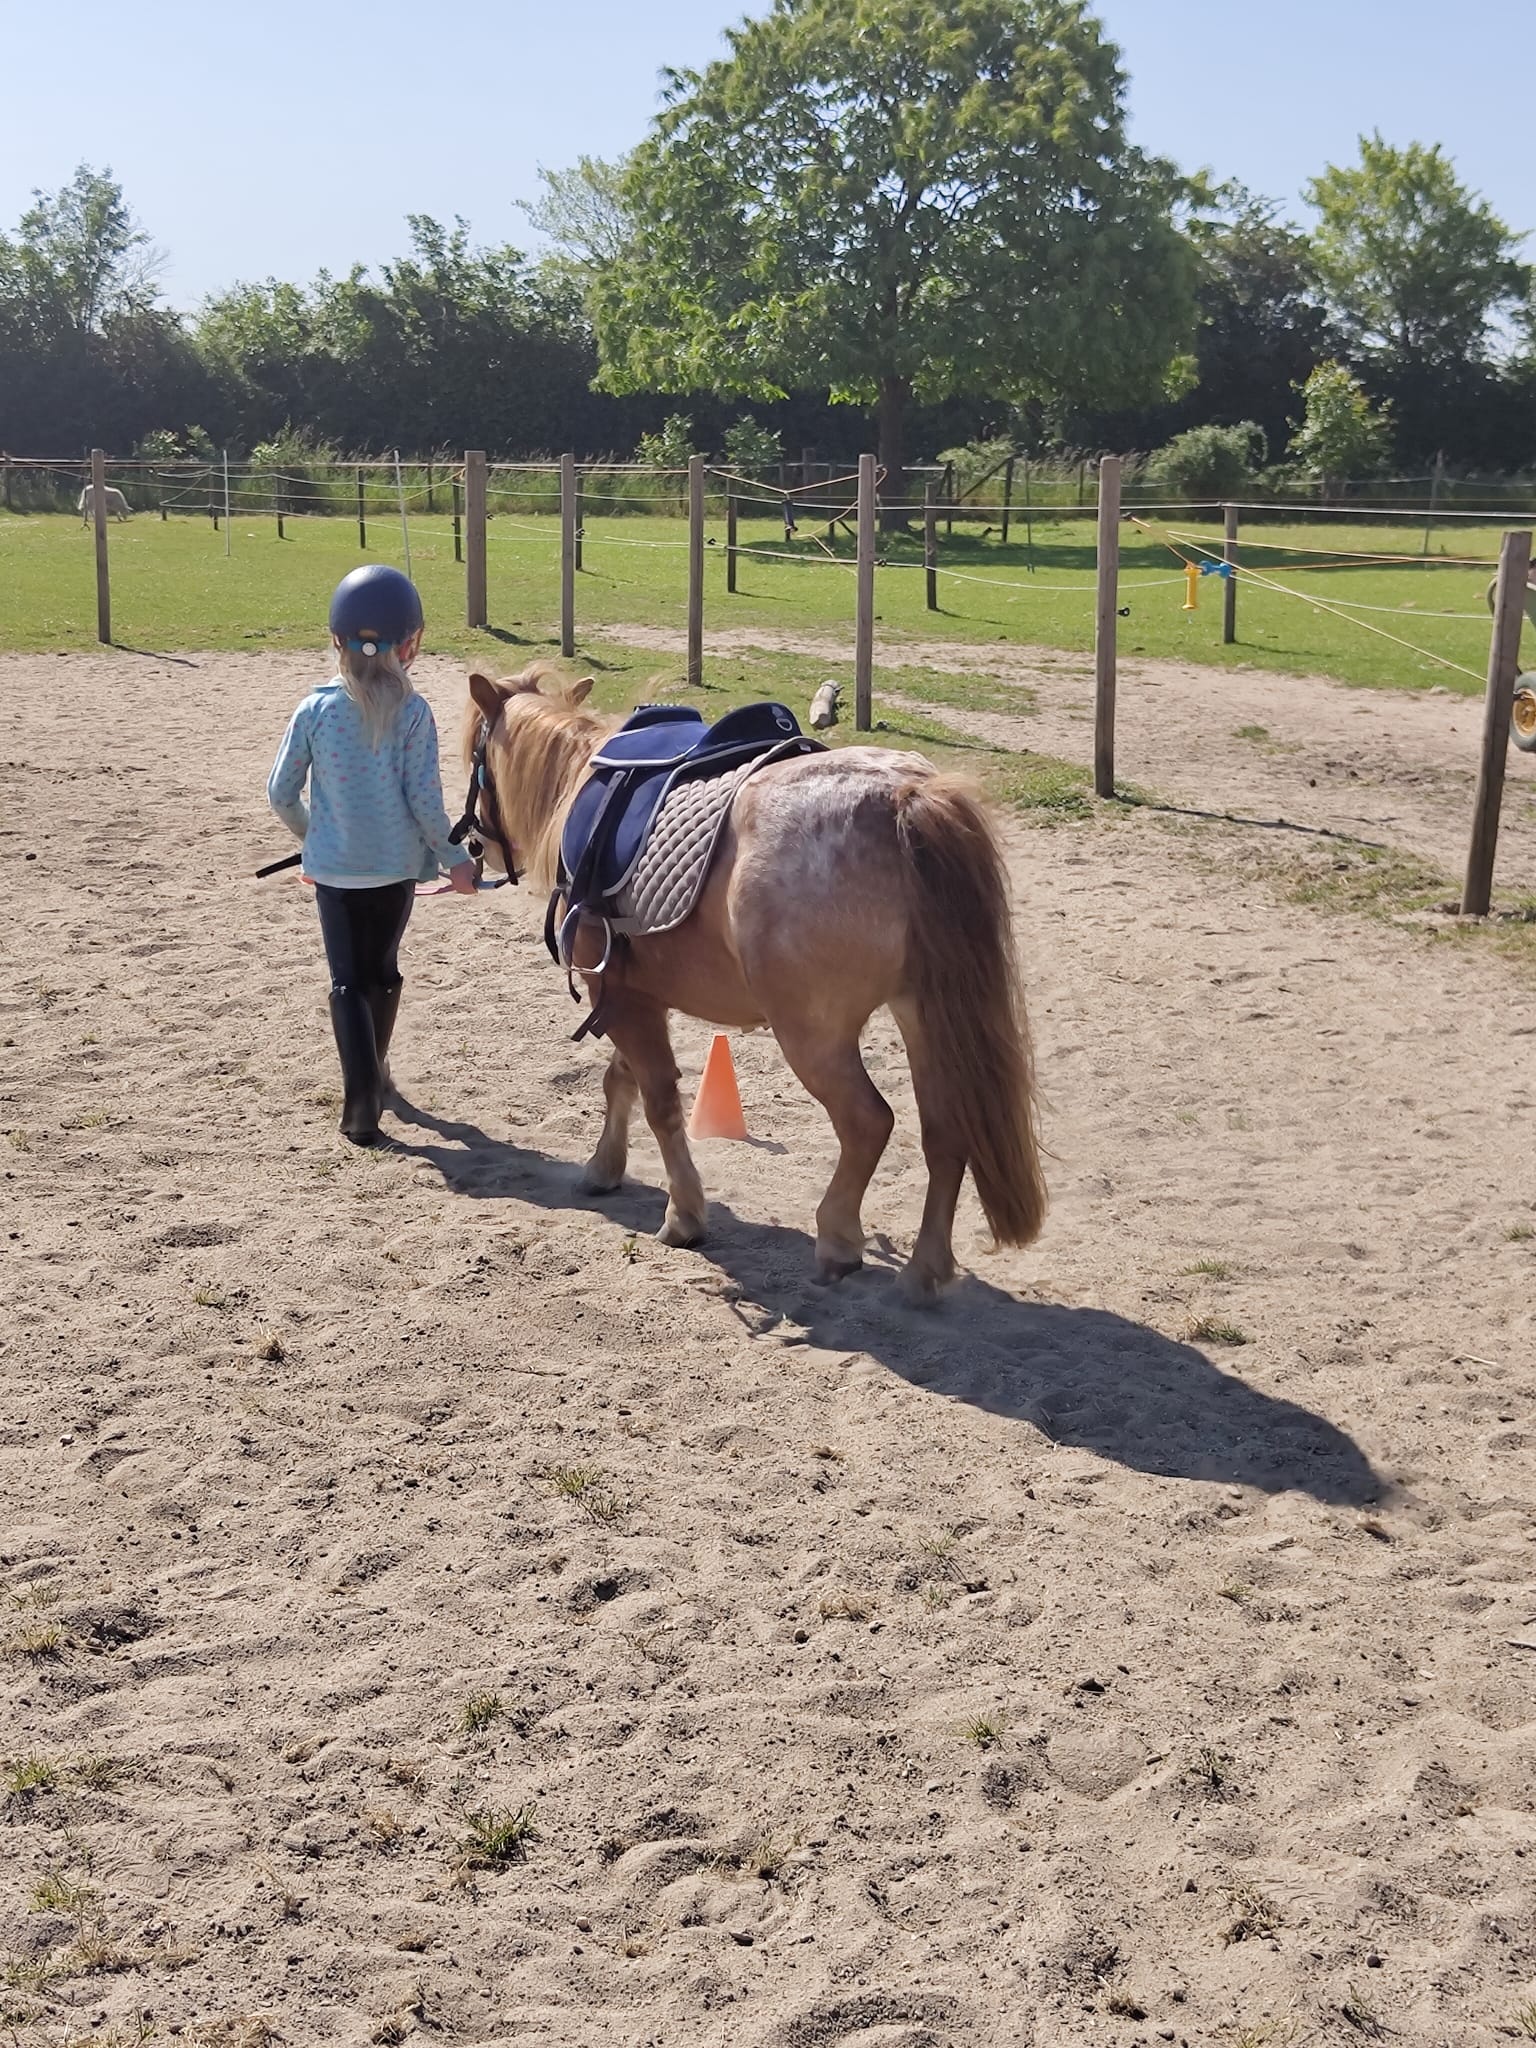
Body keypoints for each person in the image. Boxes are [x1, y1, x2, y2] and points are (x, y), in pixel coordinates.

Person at [267, 564, 477, 1146]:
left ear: (336, 639)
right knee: (381, 971)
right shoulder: (414, 713)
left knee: (346, 980)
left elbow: (280, 792)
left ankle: (362, 1099)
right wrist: (454, 858)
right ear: (410, 645)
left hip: (334, 870)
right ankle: (375, 1075)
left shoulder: (314, 710)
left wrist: (314, 837)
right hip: (394, 869)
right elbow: (425, 801)